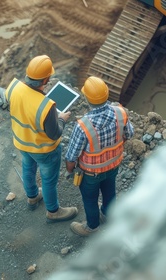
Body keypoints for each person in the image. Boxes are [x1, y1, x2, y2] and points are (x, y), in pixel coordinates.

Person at [5, 54, 78, 223]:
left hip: (22, 142)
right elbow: (55, 133)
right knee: (48, 180)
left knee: (28, 168)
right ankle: (53, 211)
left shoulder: (13, 87)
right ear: (45, 80)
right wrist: (62, 119)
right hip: (43, 150)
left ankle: (32, 197)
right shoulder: (46, 106)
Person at [65, 76, 134, 236]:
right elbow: (130, 133)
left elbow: (72, 156)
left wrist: (70, 171)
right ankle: (108, 214)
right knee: (110, 193)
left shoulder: (83, 125)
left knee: (90, 200)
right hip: (113, 166)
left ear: (87, 98)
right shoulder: (121, 113)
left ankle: (92, 227)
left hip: (90, 174)